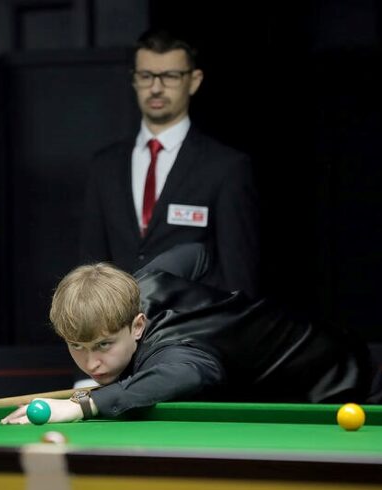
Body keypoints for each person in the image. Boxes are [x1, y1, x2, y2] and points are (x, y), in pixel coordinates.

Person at [1, 243, 382, 425]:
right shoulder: (140, 284)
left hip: (338, 380)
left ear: (138, 325)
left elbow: (185, 375)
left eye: (104, 345)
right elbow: (196, 253)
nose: (92, 362)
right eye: (77, 347)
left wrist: (82, 405)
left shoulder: (176, 354)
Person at [79, 28, 260, 299]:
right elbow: (90, 270)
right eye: (146, 76)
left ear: (194, 81)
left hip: (191, 324)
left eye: (170, 76)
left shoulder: (226, 167)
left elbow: (239, 281)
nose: (156, 87)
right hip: (118, 323)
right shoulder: (104, 166)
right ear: (134, 80)